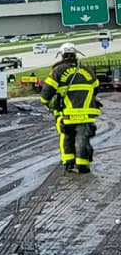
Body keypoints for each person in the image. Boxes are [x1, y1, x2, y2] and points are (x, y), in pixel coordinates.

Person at [40, 43, 103, 173]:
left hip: (66, 113)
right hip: (86, 113)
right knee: (83, 137)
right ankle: (83, 165)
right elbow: (96, 88)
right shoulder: (87, 71)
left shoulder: (57, 71)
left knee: (67, 135)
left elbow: (46, 92)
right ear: (76, 55)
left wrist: (47, 103)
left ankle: (69, 162)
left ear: (61, 55)